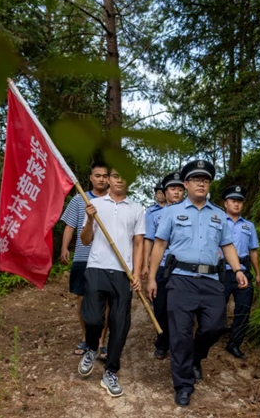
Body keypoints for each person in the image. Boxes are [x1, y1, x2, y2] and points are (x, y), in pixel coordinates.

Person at [146, 159, 248, 407]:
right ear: (186, 184)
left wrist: (237, 269)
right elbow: (159, 245)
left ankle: (195, 358)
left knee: (215, 326)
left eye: (206, 180)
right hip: (180, 279)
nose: (201, 183)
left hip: (213, 279)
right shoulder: (171, 212)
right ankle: (183, 385)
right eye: (196, 179)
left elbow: (227, 245)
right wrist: (151, 277)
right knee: (180, 334)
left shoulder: (218, 214)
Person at [77, 169, 145, 398]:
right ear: (109, 179)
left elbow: (138, 243)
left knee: (120, 323)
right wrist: (89, 219)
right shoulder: (95, 204)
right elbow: (85, 240)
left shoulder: (137, 209)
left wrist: (136, 273)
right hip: (96, 267)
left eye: (123, 175)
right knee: (93, 318)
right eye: (115, 175)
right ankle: (93, 346)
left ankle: (111, 371)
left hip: (122, 272)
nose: (119, 179)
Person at [60, 162, 110, 358]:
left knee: (104, 300)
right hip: (82, 256)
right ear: (91, 178)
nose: (101, 179)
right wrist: (64, 247)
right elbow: (70, 225)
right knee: (82, 298)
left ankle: (100, 342)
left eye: (105, 176)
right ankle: (85, 336)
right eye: (97, 175)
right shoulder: (79, 199)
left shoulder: (112, 201)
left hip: (106, 258)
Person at [143, 171, 185, 359]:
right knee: (160, 306)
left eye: (180, 189)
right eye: (172, 189)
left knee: (180, 308)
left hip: (183, 266)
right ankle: (162, 341)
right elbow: (149, 240)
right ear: (165, 192)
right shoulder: (155, 214)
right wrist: (146, 264)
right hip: (161, 265)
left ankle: (179, 343)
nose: (176, 192)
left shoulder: (191, 211)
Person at [220, 185, 260, 360]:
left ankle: (234, 343)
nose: (236, 204)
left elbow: (253, 251)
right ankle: (213, 335)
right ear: (225, 203)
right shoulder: (218, 222)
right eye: (233, 201)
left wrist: (258, 273)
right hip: (221, 271)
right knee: (215, 308)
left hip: (243, 272)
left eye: (239, 202)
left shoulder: (248, 226)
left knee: (243, 310)